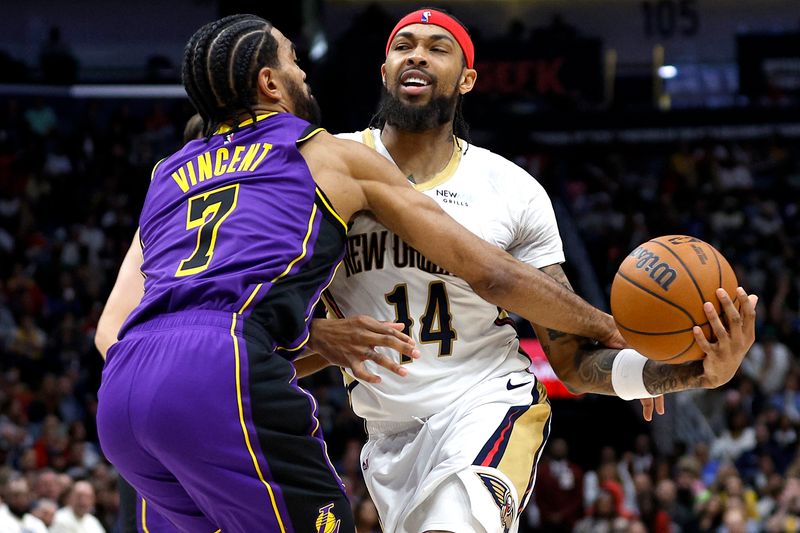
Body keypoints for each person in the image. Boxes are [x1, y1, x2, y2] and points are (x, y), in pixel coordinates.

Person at [95, 14, 635, 533]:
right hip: (223, 365)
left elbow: (110, 330)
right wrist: (607, 325)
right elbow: (493, 275)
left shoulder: (166, 174)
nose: (305, 72)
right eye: (293, 61)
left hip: (122, 391)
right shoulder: (325, 154)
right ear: (270, 83)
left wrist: (310, 337)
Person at [293, 8, 758, 533]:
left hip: (488, 404)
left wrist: (692, 373)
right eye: (404, 46)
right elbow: (258, 320)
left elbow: (571, 361)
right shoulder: (325, 167)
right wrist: (316, 332)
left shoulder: (511, 189)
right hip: (386, 432)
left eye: (437, 47)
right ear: (384, 70)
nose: (417, 54)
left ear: (466, 79)